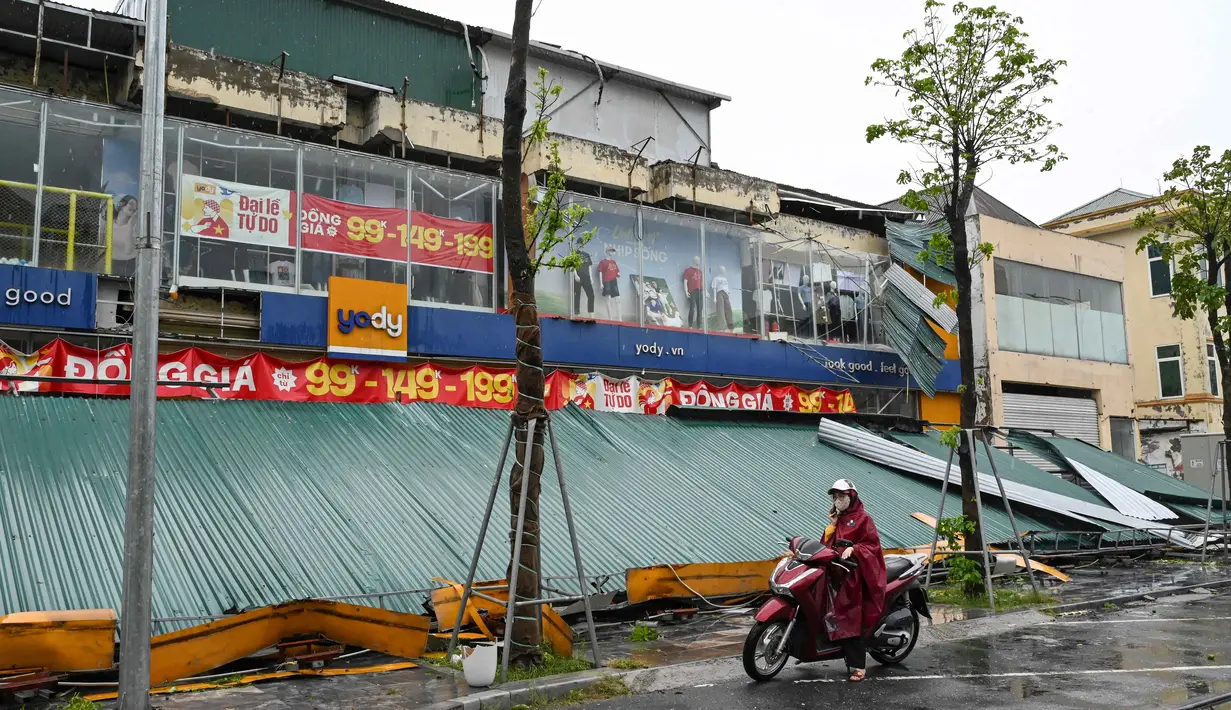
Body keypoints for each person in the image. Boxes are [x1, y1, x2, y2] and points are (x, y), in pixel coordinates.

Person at [823, 479, 887, 682]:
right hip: (838, 573)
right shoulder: (839, 519)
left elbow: (873, 545)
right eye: (835, 496)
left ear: (852, 496)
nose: (838, 500)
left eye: (841, 496)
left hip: (855, 575)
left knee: (852, 617)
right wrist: (832, 526)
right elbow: (825, 546)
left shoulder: (863, 518)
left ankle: (858, 666)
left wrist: (855, 549)